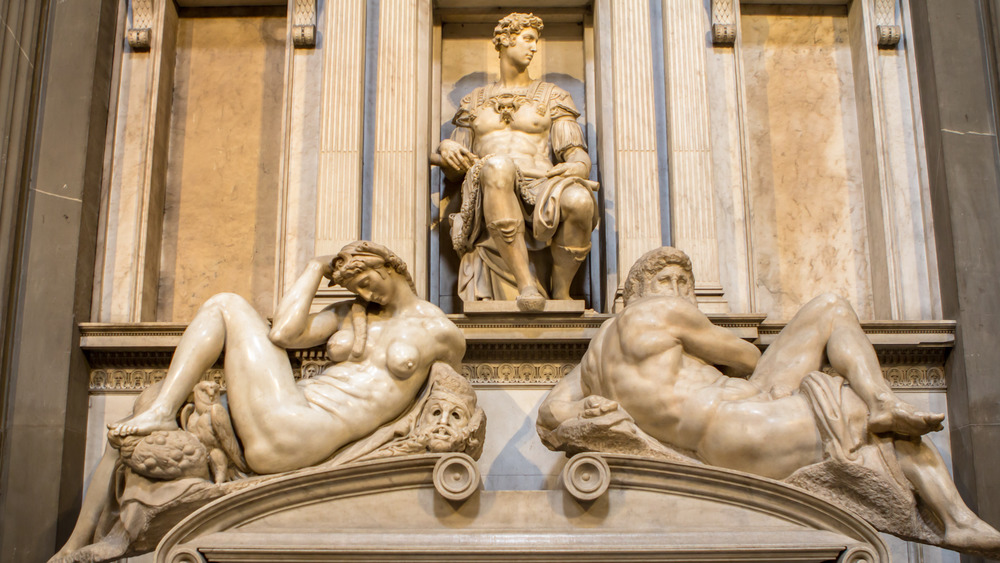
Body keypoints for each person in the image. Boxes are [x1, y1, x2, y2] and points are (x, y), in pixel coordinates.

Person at [538, 247, 1000, 552]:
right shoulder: (665, 313)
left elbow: (550, 414)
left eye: (684, 282)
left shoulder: (593, 357)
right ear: (636, 293)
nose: (679, 290)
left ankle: (882, 402)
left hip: (733, 422)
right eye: (667, 280)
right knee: (863, 409)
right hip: (743, 422)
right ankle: (954, 516)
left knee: (830, 309)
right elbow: (742, 355)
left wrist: (596, 411)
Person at [108, 241, 465, 473]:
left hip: (304, 432)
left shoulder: (440, 332)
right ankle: (160, 411)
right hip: (287, 414)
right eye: (357, 288)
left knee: (226, 305)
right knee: (145, 401)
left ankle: (163, 413)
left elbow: (451, 397)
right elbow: (283, 334)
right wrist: (313, 267)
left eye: (368, 281)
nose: (366, 292)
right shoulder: (352, 313)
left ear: (391, 266)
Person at [432, 12, 599, 310]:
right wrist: (445, 148)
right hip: (490, 184)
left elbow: (575, 153)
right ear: (505, 41)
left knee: (580, 200)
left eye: (536, 41)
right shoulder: (474, 101)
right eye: (528, 39)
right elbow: (456, 170)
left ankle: (560, 292)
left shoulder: (552, 96)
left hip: (543, 183)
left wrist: (578, 166)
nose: (534, 48)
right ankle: (526, 286)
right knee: (498, 165)